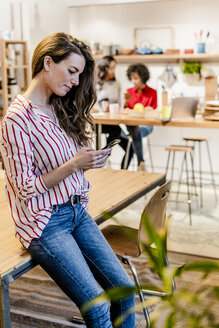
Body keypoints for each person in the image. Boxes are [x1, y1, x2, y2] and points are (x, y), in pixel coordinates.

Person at [0, 33, 135, 328]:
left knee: (124, 293)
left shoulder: (57, 108)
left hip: (76, 211)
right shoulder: (16, 119)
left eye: (79, 74)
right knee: (98, 306)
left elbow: (62, 168)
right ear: (48, 62)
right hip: (45, 223)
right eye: (72, 71)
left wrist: (83, 164)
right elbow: (25, 188)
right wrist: (73, 164)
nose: (75, 81)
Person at [95, 55, 134, 169]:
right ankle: (105, 155)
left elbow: (119, 105)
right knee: (115, 130)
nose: (113, 71)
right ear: (103, 69)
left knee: (130, 149)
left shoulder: (117, 84)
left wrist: (126, 102)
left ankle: (122, 171)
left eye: (114, 68)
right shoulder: (95, 84)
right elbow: (89, 105)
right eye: (111, 68)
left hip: (112, 123)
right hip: (97, 123)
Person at [124, 63, 157, 171]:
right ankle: (141, 164)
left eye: (136, 78)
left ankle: (124, 168)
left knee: (135, 133)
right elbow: (125, 110)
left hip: (147, 126)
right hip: (131, 125)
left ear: (143, 77)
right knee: (135, 130)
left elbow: (154, 111)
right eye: (132, 78)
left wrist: (150, 110)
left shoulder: (153, 92)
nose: (133, 81)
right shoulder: (129, 92)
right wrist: (126, 101)